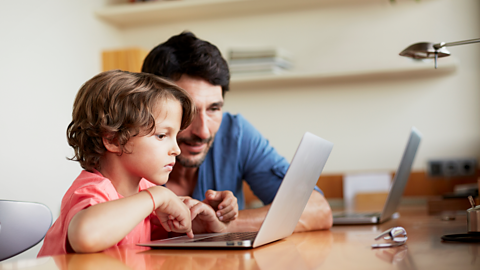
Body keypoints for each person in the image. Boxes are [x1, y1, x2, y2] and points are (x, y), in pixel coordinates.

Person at [141, 31, 333, 232]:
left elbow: (317, 209)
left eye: (214, 108)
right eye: (187, 111)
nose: (204, 132)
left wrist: (217, 224)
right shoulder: (128, 146)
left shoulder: (235, 134)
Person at [38, 70, 237, 256]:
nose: (176, 149)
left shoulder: (144, 190)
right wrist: (157, 196)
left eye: (175, 136)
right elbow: (85, 236)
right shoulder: (93, 190)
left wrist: (198, 223)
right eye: (161, 135)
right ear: (114, 140)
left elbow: (166, 235)